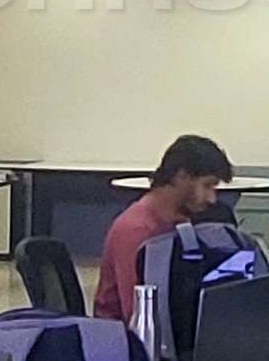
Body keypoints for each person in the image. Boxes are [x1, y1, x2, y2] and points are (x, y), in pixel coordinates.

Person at [98, 134, 233, 329]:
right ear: (181, 177)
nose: (212, 198)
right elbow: (139, 317)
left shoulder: (182, 224)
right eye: (207, 186)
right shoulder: (137, 229)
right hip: (127, 340)